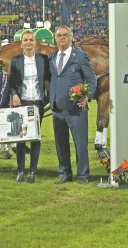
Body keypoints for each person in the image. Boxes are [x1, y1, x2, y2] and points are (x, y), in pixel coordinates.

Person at [49, 25, 97, 184]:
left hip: (76, 108)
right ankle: (65, 173)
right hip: (57, 108)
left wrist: (87, 96)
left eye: (65, 35)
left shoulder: (80, 56)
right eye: (59, 36)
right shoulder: (53, 56)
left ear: (71, 37)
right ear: (55, 38)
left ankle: (83, 175)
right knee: (61, 145)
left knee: (80, 144)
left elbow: (91, 79)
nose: (62, 38)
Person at [9, 30, 50, 183]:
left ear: (35, 43)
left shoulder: (43, 59)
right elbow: (11, 82)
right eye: (25, 40)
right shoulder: (16, 60)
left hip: (38, 103)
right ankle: (20, 170)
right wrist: (14, 95)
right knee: (21, 138)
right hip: (22, 103)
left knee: (35, 138)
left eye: (31, 40)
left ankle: (32, 171)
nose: (28, 42)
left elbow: (48, 79)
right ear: (21, 44)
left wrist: (48, 97)